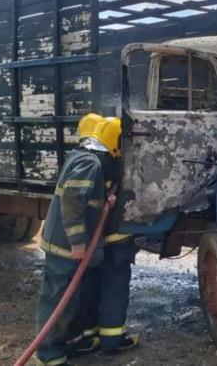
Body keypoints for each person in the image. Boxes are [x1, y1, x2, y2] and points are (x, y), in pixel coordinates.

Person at [34, 114, 138, 366]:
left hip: (66, 245)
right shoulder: (91, 163)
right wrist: (79, 243)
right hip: (65, 247)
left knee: (73, 299)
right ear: (113, 146)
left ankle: (74, 341)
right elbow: (72, 201)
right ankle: (49, 356)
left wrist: (106, 201)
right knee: (58, 299)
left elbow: (87, 199)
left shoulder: (85, 158)